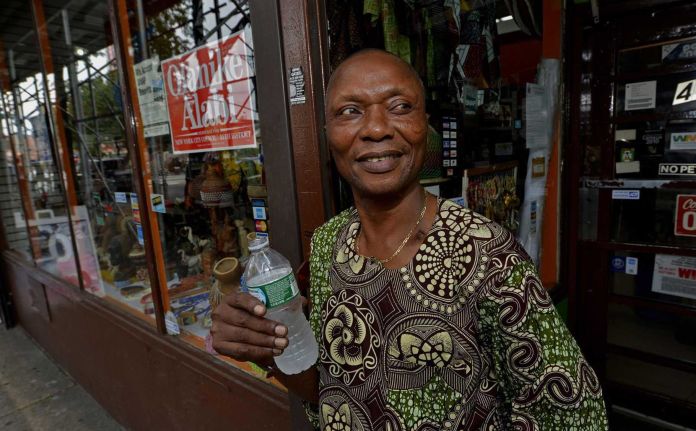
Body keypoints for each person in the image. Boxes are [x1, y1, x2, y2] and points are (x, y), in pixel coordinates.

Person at [211, 49, 608, 430]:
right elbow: (327, 391)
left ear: (425, 125)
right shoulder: (329, 243)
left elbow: (572, 413)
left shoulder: (488, 255)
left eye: (400, 107)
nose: (377, 128)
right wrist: (267, 348)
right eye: (350, 111)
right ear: (328, 133)